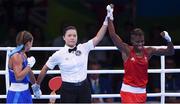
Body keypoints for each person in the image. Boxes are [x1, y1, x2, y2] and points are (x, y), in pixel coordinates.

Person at [35, 5, 112, 103]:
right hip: (68, 89)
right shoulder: (58, 54)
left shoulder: (83, 47)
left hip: (84, 87)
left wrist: (106, 20)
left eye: (74, 35)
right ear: (64, 37)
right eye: (69, 35)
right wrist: (37, 85)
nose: (72, 37)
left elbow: (98, 37)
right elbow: (45, 68)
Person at [107, 5, 175, 103]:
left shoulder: (149, 51)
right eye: (137, 42)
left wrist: (168, 39)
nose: (140, 44)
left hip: (142, 92)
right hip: (128, 91)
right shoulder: (126, 50)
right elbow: (113, 35)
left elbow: (170, 52)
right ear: (132, 41)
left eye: (142, 41)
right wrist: (109, 16)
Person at [6, 30, 40, 103]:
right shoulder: (16, 56)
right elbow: (18, 77)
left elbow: (29, 72)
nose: (32, 45)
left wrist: (35, 86)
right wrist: (29, 66)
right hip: (16, 94)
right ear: (28, 43)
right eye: (32, 43)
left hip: (26, 92)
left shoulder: (23, 55)